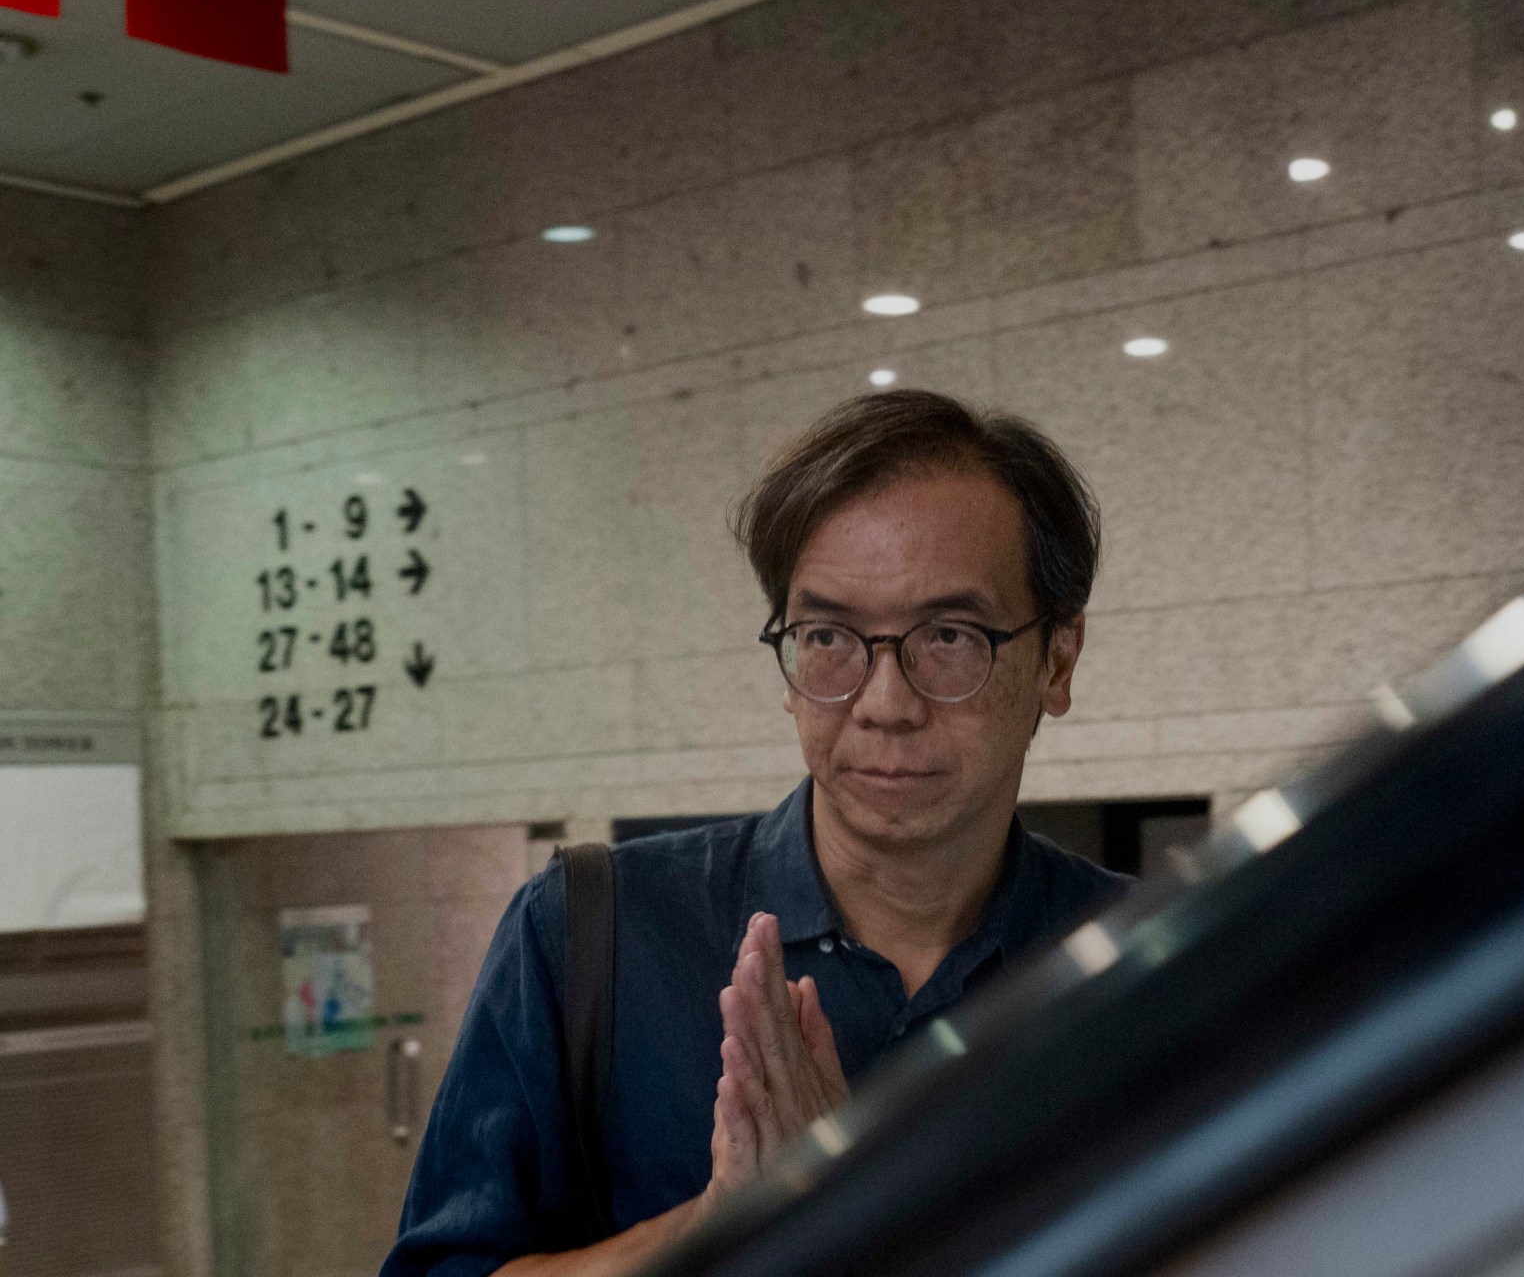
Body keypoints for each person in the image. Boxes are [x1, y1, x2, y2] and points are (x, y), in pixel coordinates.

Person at [384, 391, 1132, 1277]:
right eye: (827, 636)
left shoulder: (1151, 957)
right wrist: (720, 1222)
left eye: (950, 636)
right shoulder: (592, 933)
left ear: (1057, 659)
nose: (885, 704)